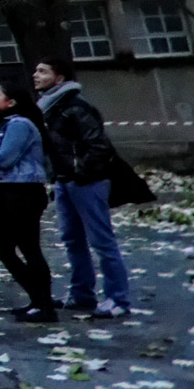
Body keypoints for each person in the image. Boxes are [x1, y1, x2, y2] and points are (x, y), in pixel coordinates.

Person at [34, 58, 132, 318]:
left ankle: (118, 299)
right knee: (72, 239)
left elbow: (97, 146)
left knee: (102, 241)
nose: (36, 75)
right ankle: (82, 293)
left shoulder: (76, 107)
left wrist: (79, 173)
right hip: (65, 181)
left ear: (59, 78)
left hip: (87, 182)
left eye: (43, 71)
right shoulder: (50, 107)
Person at [0, 80, 56, 321]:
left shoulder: (20, 124)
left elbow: (2, 158)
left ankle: (44, 305)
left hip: (24, 191)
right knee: (1, 247)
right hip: (6, 191)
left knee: (29, 247)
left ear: (11, 102)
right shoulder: (0, 123)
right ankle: (37, 297)